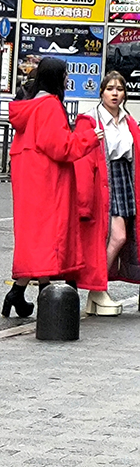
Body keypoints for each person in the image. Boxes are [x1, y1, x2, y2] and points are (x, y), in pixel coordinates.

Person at [5, 57, 103, 314]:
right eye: (65, 75)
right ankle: (43, 300)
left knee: (36, 239)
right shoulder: (50, 106)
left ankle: (21, 293)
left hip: (30, 181)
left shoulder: (30, 106)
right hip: (48, 183)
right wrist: (90, 137)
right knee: (50, 239)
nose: (67, 79)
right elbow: (61, 147)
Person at [72, 71, 140, 314]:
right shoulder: (90, 120)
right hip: (102, 182)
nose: (115, 94)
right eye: (110, 89)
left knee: (122, 237)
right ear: (101, 92)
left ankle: (97, 292)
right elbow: (80, 157)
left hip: (125, 178)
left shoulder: (128, 120)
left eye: (119, 89)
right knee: (116, 236)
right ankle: (96, 289)